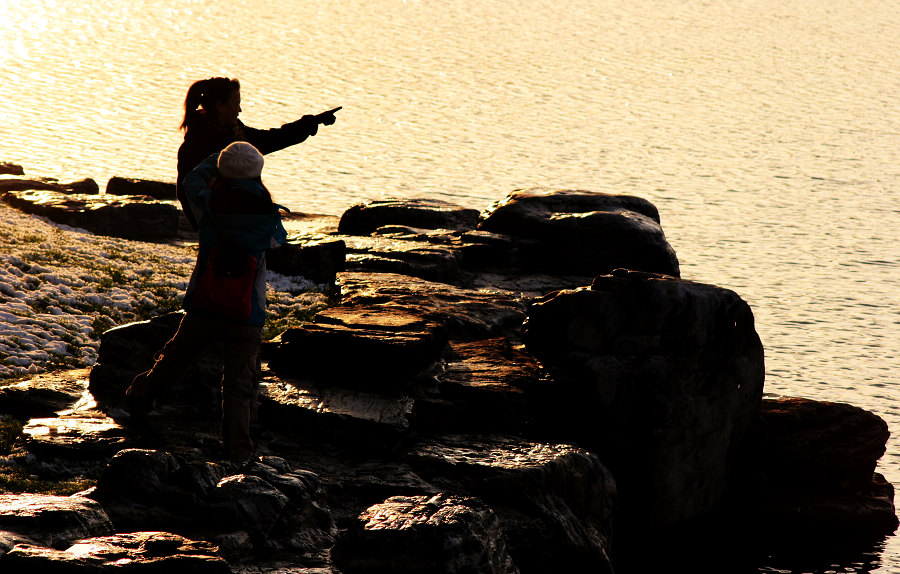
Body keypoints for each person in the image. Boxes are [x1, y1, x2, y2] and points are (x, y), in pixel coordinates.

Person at [126, 141, 287, 463]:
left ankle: (138, 400)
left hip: (205, 303)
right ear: (257, 173)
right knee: (240, 385)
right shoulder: (267, 215)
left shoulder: (210, 203)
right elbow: (278, 242)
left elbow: (190, 180)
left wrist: (219, 158)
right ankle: (239, 453)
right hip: (247, 311)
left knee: (175, 359)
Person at [177, 76, 338, 230]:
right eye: (236, 103)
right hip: (218, 226)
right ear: (220, 106)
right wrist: (204, 227)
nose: (239, 109)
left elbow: (271, 139)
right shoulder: (195, 146)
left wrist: (310, 123)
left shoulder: (236, 134)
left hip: (237, 223)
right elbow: (185, 193)